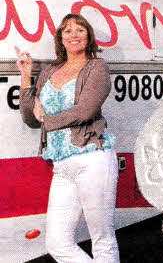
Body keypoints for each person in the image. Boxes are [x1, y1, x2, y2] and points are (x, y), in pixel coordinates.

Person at [16, 14, 119, 262]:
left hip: (92, 158)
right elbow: (30, 119)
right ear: (60, 39)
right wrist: (26, 76)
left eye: (80, 30)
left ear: (89, 36)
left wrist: (46, 119)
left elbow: (85, 111)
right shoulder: (50, 71)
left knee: (102, 239)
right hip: (62, 166)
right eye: (67, 31)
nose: (74, 35)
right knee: (57, 243)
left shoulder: (97, 67)